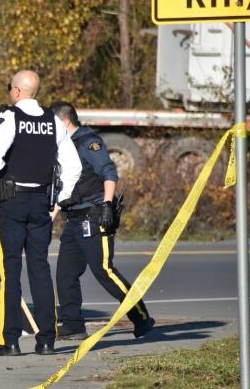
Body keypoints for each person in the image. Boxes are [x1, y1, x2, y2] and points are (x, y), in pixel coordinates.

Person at [0, 70, 82, 357]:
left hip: (9, 203)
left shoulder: (10, 117)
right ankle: (46, 340)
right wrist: (59, 200)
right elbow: (73, 167)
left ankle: (8, 341)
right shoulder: (53, 121)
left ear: (16, 91)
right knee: (40, 269)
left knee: (9, 271)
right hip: (41, 203)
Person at [50, 101, 154, 340]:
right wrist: (50, 219)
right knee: (65, 274)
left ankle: (141, 317)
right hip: (73, 219)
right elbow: (62, 188)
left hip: (95, 215)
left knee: (104, 270)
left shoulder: (89, 142)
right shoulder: (64, 146)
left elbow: (109, 173)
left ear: (65, 121)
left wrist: (107, 205)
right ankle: (73, 325)